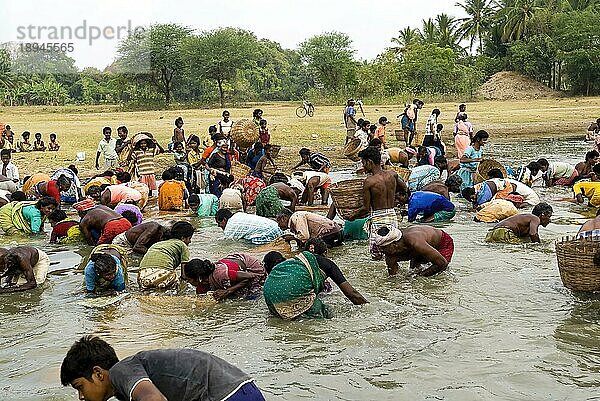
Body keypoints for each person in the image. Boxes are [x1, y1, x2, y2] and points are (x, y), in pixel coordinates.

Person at [60, 335, 265, 401]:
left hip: (228, 395)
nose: (80, 397)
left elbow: (154, 400)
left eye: (79, 386)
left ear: (98, 373)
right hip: (242, 388)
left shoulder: (120, 371)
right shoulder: (126, 386)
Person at [263, 250, 368, 319]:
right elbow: (352, 293)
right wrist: (370, 309)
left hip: (269, 293)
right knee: (323, 316)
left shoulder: (294, 264)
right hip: (292, 292)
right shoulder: (329, 265)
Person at [348, 146, 409, 260]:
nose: (363, 166)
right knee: (392, 251)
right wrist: (395, 198)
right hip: (392, 216)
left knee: (377, 256)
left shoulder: (369, 182)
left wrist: (352, 216)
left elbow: (365, 209)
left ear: (369, 162)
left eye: (363, 162)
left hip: (378, 219)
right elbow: (405, 189)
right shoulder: (392, 175)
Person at [375, 225, 454, 276]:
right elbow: (393, 277)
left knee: (440, 274)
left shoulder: (415, 242)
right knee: (414, 270)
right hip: (417, 248)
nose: (381, 251)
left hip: (441, 243)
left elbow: (442, 263)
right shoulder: (390, 256)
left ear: (394, 245)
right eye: (380, 248)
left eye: (384, 248)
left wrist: (418, 277)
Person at [137, 221, 194, 289]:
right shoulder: (182, 245)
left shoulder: (157, 244)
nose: (190, 241)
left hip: (142, 276)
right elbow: (184, 274)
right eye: (189, 238)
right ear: (183, 238)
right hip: (163, 274)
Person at [183, 254, 267, 300]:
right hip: (233, 266)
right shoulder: (202, 285)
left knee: (249, 297)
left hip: (252, 268)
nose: (188, 282)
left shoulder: (220, 274)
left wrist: (227, 291)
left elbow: (250, 277)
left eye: (189, 279)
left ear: (199, 277)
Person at [485, 202, 553, 244]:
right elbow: (533, 234)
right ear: (543, 215)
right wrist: (540, 247)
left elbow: (529, 237)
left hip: (491, 234)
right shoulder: (535, 218)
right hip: (503, 232)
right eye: (549, 217)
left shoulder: (527, 219)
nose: (550, 220)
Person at [277, 208, 344, 248]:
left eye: (278, 221)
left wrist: (292, 237)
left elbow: (305, 236)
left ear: (284, 218)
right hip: (336, 231)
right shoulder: (294, 221)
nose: (278, 225)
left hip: (330, 232)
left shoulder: (296, 217)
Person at [215, 209, 282, 245]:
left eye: (219, 223)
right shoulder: (238, 215)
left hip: (267, 234)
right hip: (276, 227)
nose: (218, 226)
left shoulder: (230, 226)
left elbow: (228, 242)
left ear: (224, 219)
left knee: (246, 244)